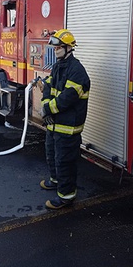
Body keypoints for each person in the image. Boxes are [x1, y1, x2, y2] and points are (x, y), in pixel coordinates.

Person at [40, 29, 90, 210]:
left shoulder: (77, 70)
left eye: (59, 47)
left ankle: (66, 196)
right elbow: (47, 87)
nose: (56, 50)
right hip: (54, 125)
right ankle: (55, 181)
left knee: (65, 161)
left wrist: (48, 109)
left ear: (69, 48)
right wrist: (46, 109)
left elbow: (68, 98)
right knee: (51, 154)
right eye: (55, 47)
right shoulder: (58, 66)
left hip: (68, 127)